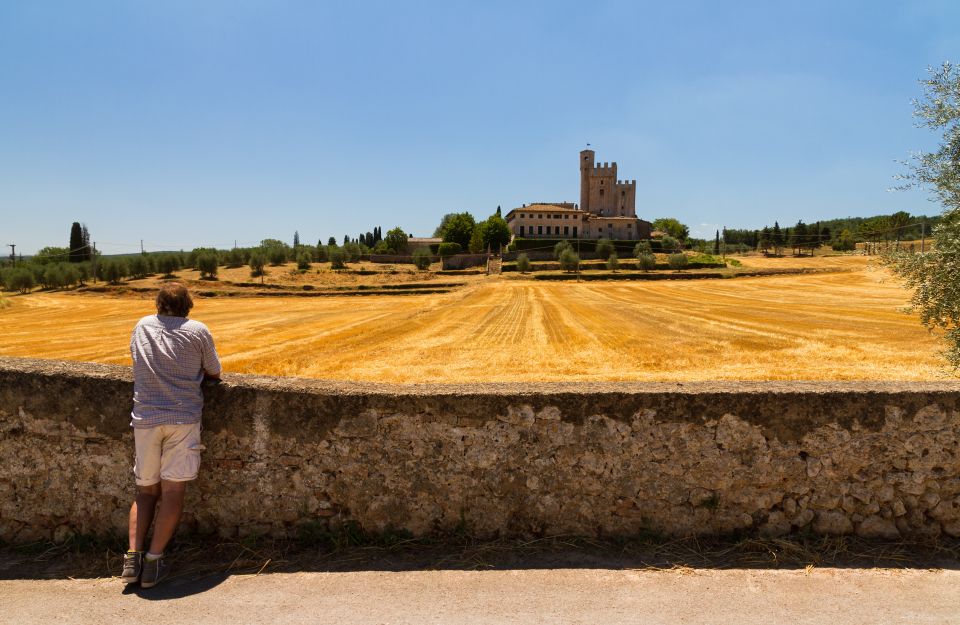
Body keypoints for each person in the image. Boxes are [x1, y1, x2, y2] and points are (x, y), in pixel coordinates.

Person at [121, 283, 221, 588]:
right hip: (182, 419)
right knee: (173, 493)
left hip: (146, 419)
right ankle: (152, 563)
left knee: (145, 491)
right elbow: (214, 371)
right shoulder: (198, 330)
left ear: (158, 303)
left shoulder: (141, 325)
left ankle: (132, 559)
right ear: (188, 305)